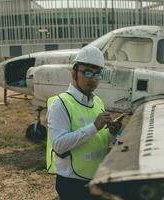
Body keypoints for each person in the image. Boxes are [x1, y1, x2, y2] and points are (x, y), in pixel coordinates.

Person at [46, 46, 121, 200]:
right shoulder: (61, 104)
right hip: (73, 184)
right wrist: (94, 127)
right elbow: (58, 145)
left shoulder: (97, 101)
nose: (93, 79)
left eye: (98, 74)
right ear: (73, 73)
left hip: (96, 178)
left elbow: (99, 140)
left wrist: (112, 133)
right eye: (87, 72)